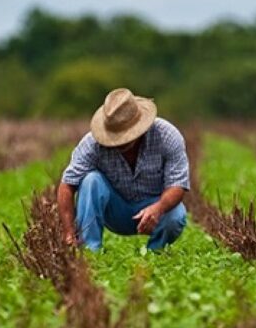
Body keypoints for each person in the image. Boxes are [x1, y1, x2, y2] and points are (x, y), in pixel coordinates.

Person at [58, 88, 190, 251]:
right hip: (115, 210)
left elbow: (177, 185)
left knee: (176, 215)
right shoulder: (92, 144)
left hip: (154, 206)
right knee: (91, 180)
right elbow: (67, 185)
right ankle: (89, 251)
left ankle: (155, 254)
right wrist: (69, 232)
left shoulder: (167, 136)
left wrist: (158, 208)